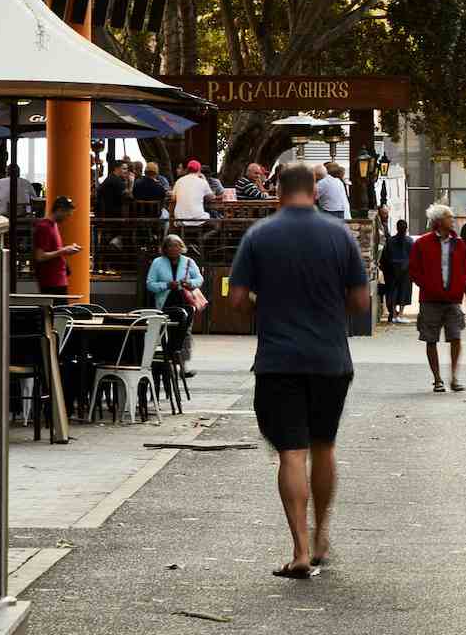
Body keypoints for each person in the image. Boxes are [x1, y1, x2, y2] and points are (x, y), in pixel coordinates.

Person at [225, 162, 371, 579]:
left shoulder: (259, 235)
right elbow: (360, 302)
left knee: (291, 452)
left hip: (278, 360)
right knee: (324, 445)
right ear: (315, 189)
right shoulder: (339, 235)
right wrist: (327, 311)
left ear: (278, 189)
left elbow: (235, 301)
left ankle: (300, 551)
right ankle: (322, 534)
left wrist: (265, 307)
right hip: (330, 358)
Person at [409, 204, 466, 392]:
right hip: (430, 299)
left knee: (456, 337)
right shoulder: (422, 243)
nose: (453, 220)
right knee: (430, 339)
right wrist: (427, 285)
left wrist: (462, 288)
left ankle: (454, 378)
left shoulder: (459, 244)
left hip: (453, 300)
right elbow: (414, 269)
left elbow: (465, 269)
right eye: (449, 217)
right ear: (439, 221)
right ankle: (437, 379)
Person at [146, 234, 204, 374]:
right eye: (170, 246)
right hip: (165, 303)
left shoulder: (188, 261)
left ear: (181, 247)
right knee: (165, 333)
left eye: (177, 245)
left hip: (185, 302)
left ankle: (183, 367)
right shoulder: (157, 262)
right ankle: (167, 365)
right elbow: (150, 284)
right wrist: (166, 285)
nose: (174, 249)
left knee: (185, 334)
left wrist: (189, 283)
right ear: (165, 248)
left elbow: (199, 279)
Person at [33, 195, 81, 295]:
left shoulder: (53, 225)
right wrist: (64, 251)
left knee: (61, 309)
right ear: (59, 210)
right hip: (51, 281)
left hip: (58, 279)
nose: (68, 217)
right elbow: (40, 256)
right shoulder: (44, 227)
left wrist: (66, 250)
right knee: (58, 309)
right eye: (67, 214)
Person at [380, 218, 413, 324]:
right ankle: (400, 314)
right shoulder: (410, 241)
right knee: (404, 291)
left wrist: (384, 268)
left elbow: (384, 257)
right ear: (406, 229)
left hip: (391, 270)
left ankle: (393, 314)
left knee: (393, 291)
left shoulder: (390, 241)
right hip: (405, 270)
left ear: (396, 228)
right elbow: (413, 257)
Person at [170, 160, 216, 225]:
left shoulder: (179, 181)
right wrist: (204, 179)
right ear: (199, 170)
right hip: (198, 218)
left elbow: (173, 198)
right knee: (217, 224)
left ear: (188, 170)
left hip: (180, 218)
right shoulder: (202, 182)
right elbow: (212, 197)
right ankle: (203, 235)